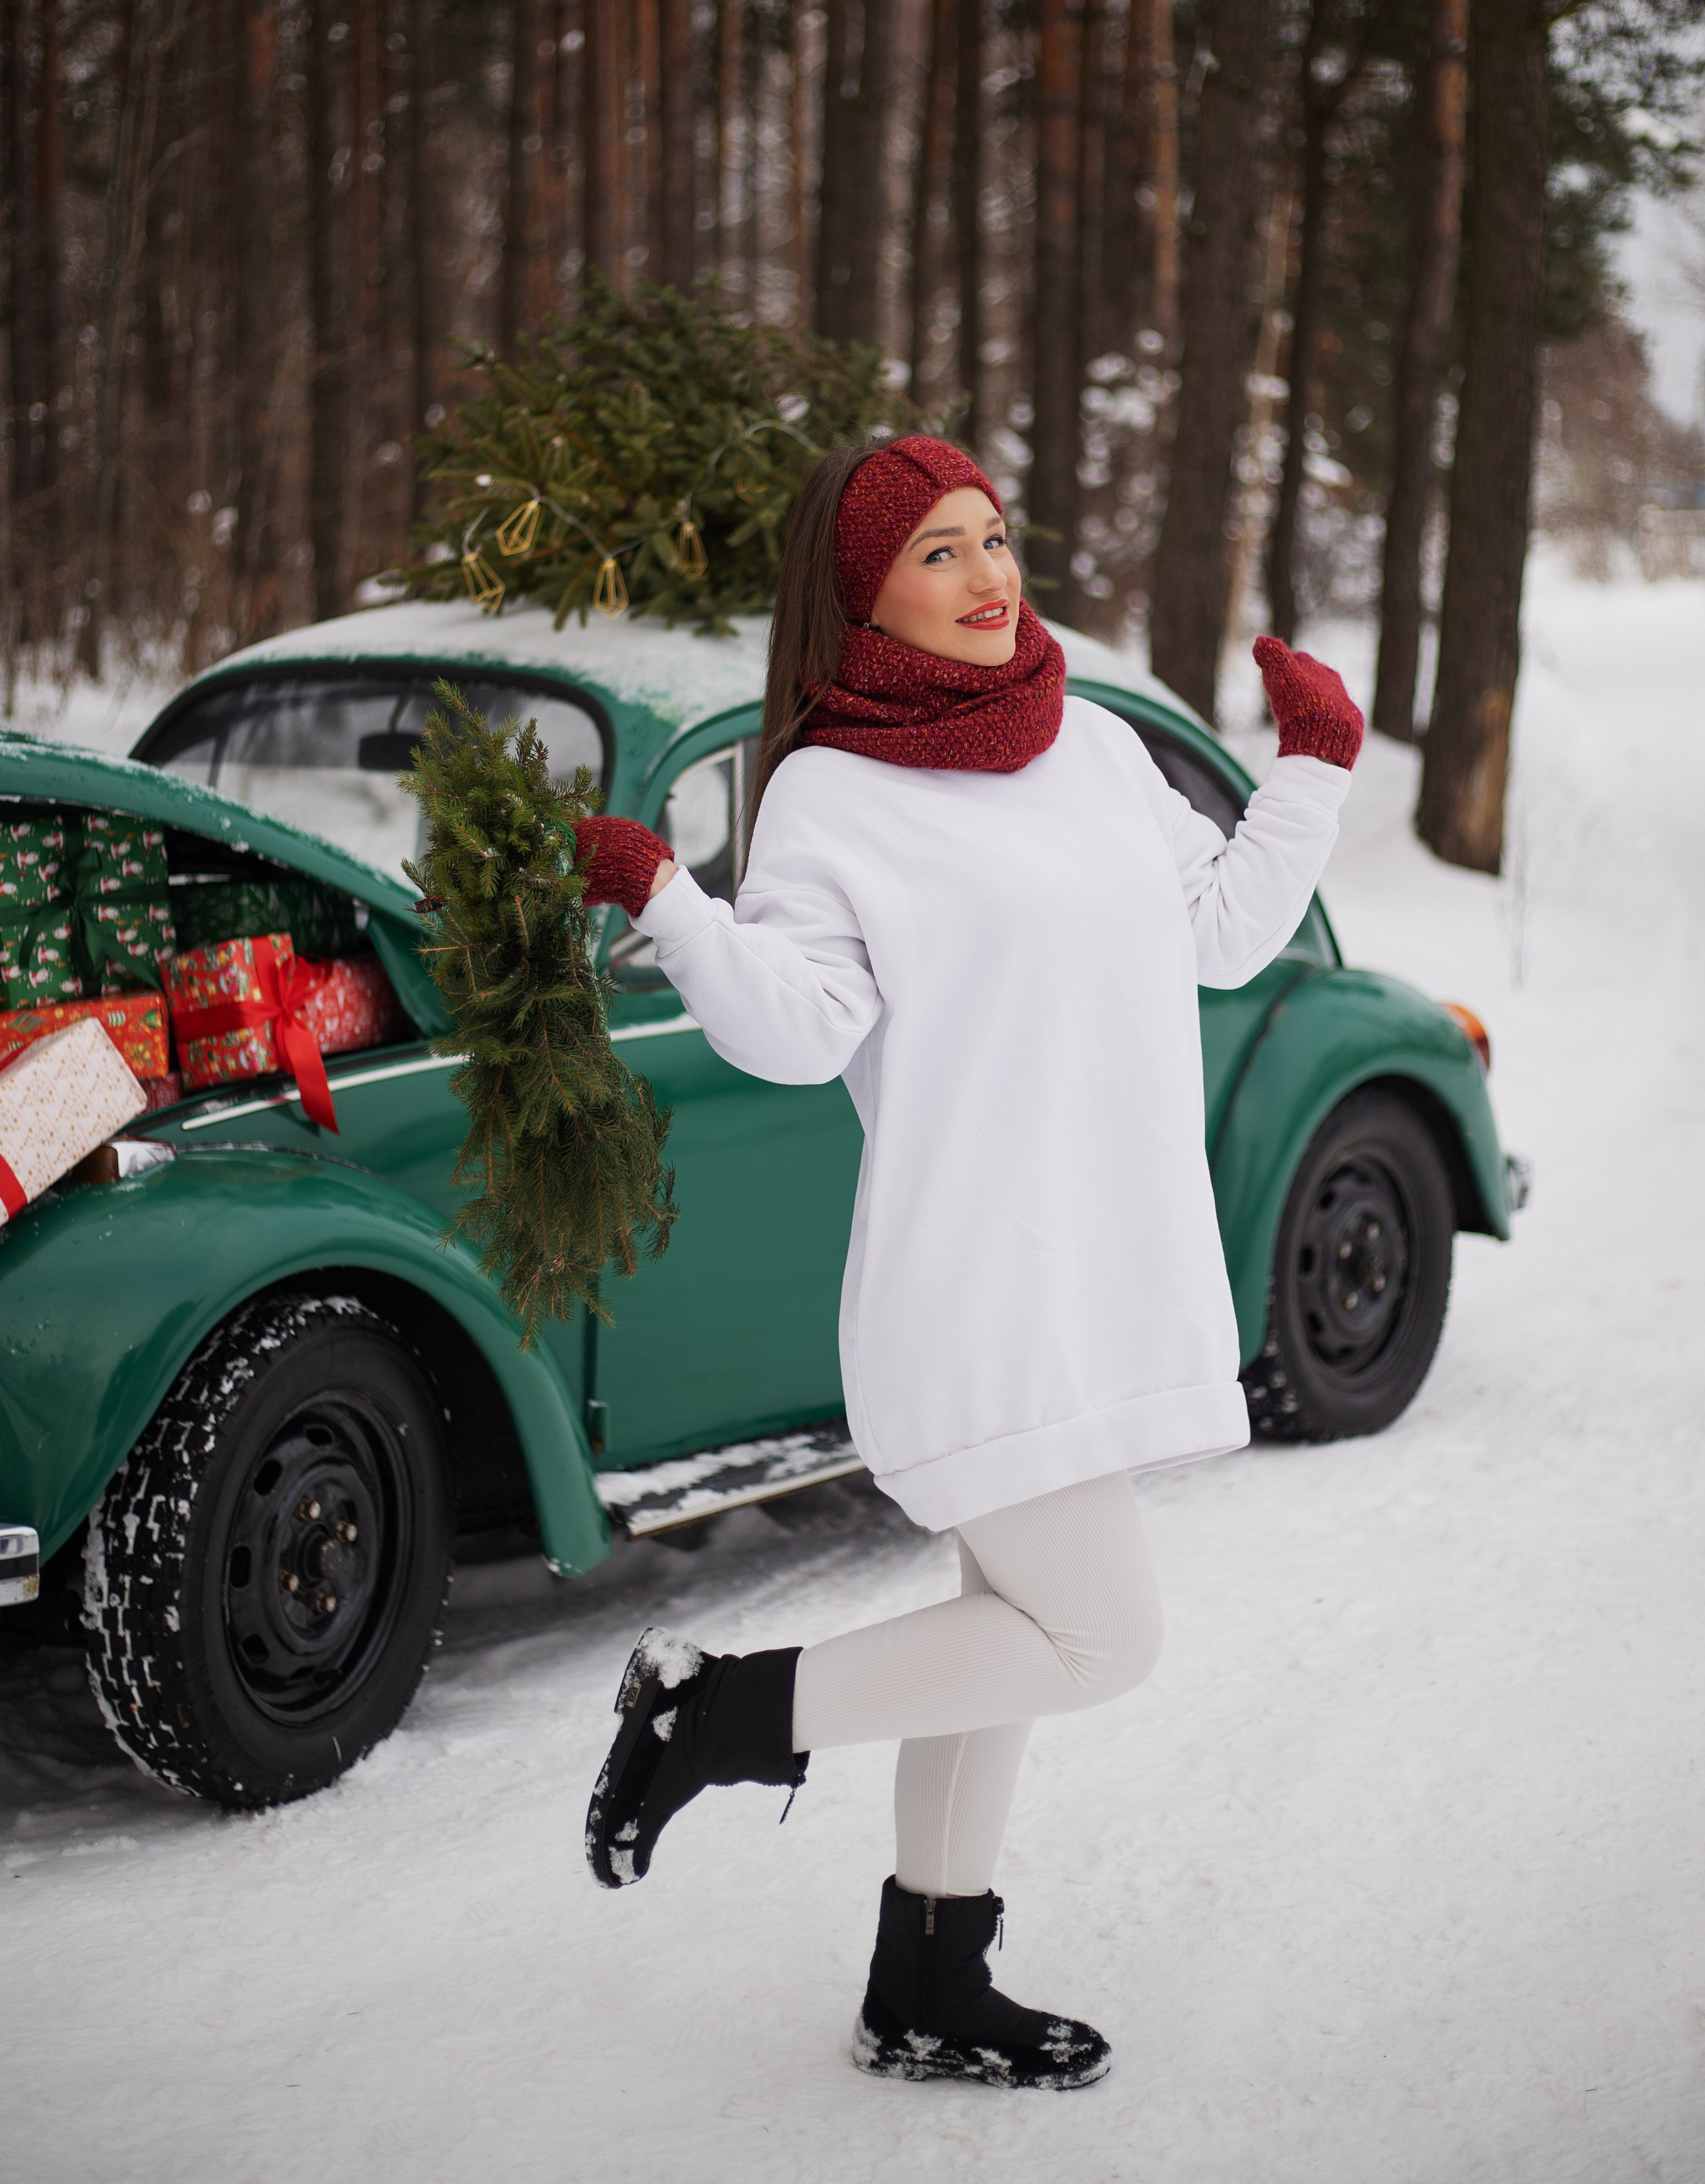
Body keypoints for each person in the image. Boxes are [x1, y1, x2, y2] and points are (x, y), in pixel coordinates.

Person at [573, 435, 1361, 2090]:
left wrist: (1307, 768)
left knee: (1004, 1627)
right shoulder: (830, 794)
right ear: (860, 593)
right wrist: (672, 904)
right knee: (1100, 1639)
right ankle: (709, 1716)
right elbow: (801, 1032)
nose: (988, 575)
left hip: (1103, 1268)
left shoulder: (1080, 749)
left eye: (993, 535)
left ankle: (926, 1981)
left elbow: (1220, 931)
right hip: (976, 1291)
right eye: (938, 552)